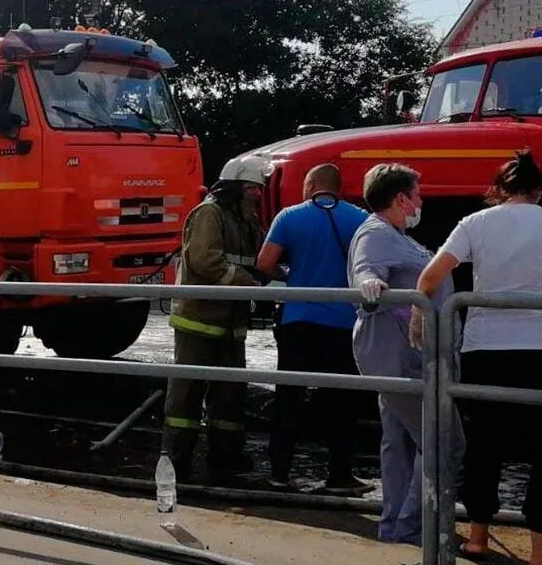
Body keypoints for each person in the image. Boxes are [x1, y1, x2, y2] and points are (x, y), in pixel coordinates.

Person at [416, 150, 542, 565]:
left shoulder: (475, 223)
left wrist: (419, 314)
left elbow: (430, 276)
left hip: (486, 350)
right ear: (540, 190)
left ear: (500, 189)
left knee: (484, 447)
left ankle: (478, 539)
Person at [349, 163, 464, 545]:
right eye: (417, 195)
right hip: (396, 355)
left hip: (407, 355)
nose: (420, 202)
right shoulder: (377, 233)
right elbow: (366, 272)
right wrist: (368, 283)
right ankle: (414, 527)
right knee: (443, 438)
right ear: (401, 198)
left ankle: (396, 526)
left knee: (398, 442)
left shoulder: (397, 236)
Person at [257, 163, 371, 494]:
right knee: (341, 400)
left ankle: (279, 474)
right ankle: (339, 476)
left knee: (288, 398)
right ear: (338, 187)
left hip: (298, 320)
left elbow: (264, 263)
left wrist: (290, 275)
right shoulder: (360, 219)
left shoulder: (289, 217)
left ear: (312, 185)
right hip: (343, 323)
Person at [162, 154, 267, 479]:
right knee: (187, 392)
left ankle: (226, 455)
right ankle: (175, 460)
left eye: (259, 189)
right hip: (200, 318)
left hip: (232, 321)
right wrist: (249, 282)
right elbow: (206, 260)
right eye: (251, 188)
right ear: (234, 187)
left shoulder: (246, 219)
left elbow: (256, 257)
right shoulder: (209, 213)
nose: (257, 195)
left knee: (230, 392)